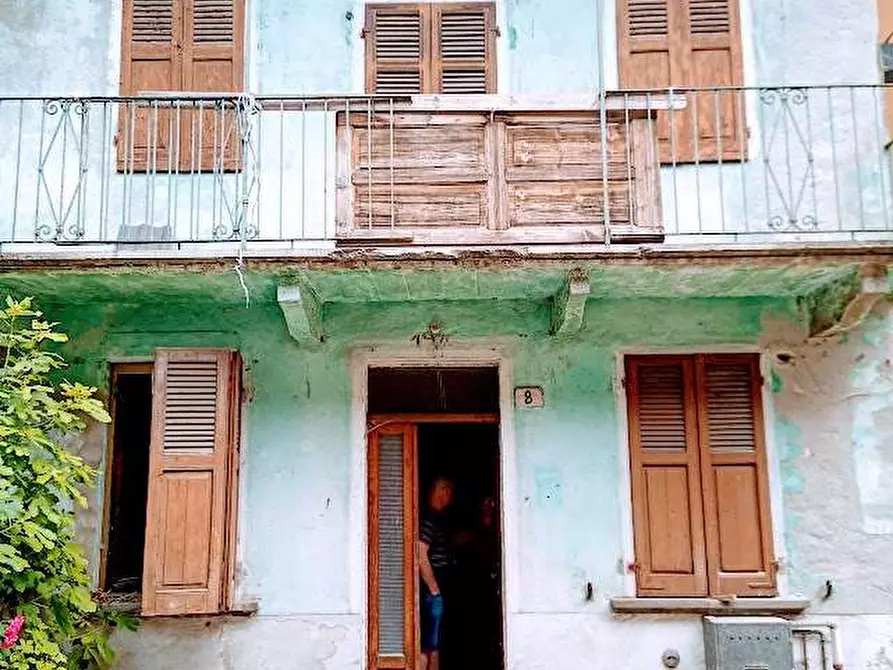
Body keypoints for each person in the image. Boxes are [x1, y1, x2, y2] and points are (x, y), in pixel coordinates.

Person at [419, 477, 455, 670]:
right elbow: (420, 551)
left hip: (435, 594)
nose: (451, 496)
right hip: (431, 594)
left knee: (434, 645)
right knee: (427, 645)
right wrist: (434, 590)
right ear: (440, 491)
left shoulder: (436, 519)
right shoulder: (430, 518)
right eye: (448, 490)